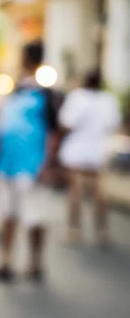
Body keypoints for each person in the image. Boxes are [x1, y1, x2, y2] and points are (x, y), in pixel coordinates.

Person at [0, 41, 60, 283]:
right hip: (7, 162)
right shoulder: (14, 88)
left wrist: (48, 163)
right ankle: (5, 260)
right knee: (7, 213)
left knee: (35, 216)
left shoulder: (47, 93)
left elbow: (54, 131)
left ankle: (35, 262)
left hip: (32, 164)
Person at [58, 69, 121, 246]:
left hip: (78, 150)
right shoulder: (108, 100)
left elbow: (67, 122)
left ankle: (74, 229)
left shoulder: (77, 97)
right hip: (97, 150)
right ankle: (102, 231)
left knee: (75, 191)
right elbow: (113, 124)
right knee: (98, 192)